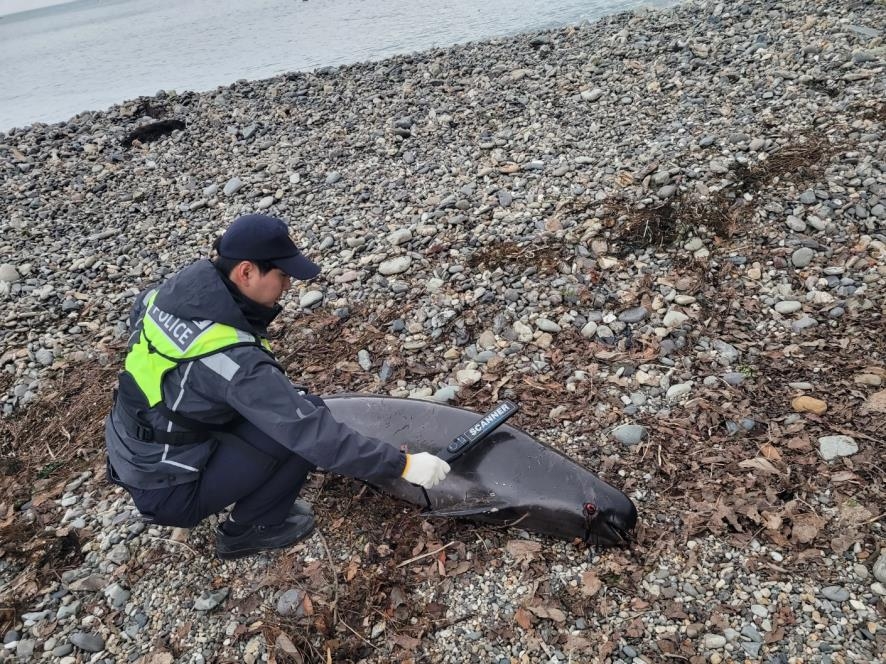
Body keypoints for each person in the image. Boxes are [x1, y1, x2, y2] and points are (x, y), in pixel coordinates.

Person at [104, 213, 451, 559]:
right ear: (246, 272)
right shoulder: (232, 360)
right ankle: (248, 530)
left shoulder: (169, 296)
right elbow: (311, 434)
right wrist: (403, 466)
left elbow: (142, 323)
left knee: (293, 407)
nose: (287, 287)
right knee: (300, 424)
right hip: (167, 488)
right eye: (282, 275)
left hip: (132, 450)